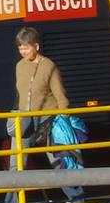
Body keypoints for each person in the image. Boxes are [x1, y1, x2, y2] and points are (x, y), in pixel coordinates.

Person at [12, 25, 70, 169]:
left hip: (47, 119)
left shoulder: (49, 66)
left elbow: (61, 97)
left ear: (36, 46)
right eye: (20, 48)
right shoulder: (19, 66)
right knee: (16, 165)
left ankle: (76, 192)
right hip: (24, 119)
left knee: (59, 163)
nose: (22, 52)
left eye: (25, 48)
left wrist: (64, 121)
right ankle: (13, 193)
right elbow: (20, 93)